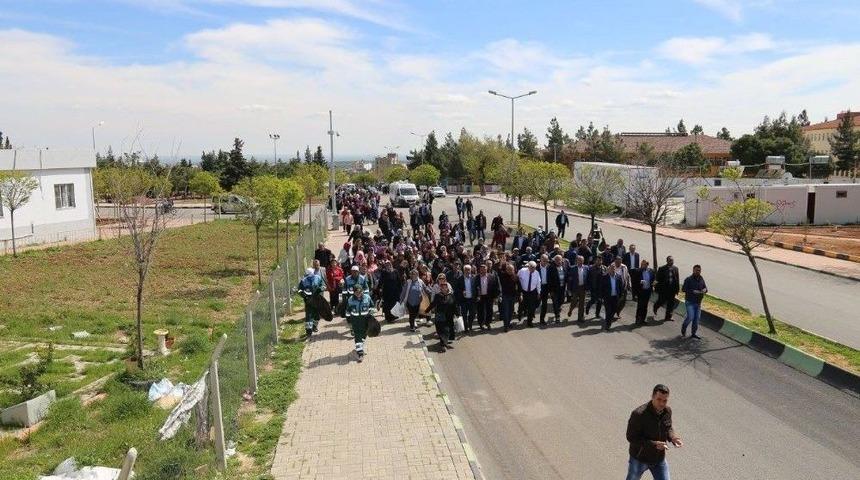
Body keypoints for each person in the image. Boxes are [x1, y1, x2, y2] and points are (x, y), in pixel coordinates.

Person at [625, 384, 682, 480]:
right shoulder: (639, 414)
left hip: (659, 459)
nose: (662, 404)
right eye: (659, 399)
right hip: (639, 459)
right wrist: (654, 444)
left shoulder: (667, 411)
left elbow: (668, 427)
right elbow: (631, 437)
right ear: (652, 396)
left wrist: (672, 437)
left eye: (665, 400)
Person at [425, 274, 457, 351]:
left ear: (447, 288)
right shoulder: (438, 296)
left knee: (447, 329)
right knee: (441, 330)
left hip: (449, 315)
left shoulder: (451, 296)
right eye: (442, 287)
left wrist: (458, 313)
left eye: (445, 287)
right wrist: (427, 310)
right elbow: (433, 304)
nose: (444, 288)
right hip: (440, 316)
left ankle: (444, 344)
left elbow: (454, 305)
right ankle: (443, 344)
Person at [346, 285, 374, 362]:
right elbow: (348, 311)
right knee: (357, 335)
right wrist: (349, 321)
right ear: (354, 292)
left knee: (364, 334)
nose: (358, 293)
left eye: (360, 292)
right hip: (355, 321)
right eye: (356, 292)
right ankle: (360, 353)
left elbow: (372, 306)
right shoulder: (350, 300)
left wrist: (371, 315)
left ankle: (359, 346)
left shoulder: (367, 297)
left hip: (365, 320)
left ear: (362, 291)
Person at [681, 265, 708, 339]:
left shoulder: (701, 278)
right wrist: (693, 291)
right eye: (696, 270)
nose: (698, 272)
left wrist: (704, 290)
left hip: (698, 303)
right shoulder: (688, 279)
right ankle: (683, 328)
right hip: (690, 302)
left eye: (699, 270)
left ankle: (693, 333)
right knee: (690, 317)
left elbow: (705, 288)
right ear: (693, 270)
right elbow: (683, 289)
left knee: (696, 320)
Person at [298, 267, 325, 338]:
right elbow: (299, 290)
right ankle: (308, 331)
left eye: (311, 274)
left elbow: (323, 285)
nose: (310, 276)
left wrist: (320, 289)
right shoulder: (303, 281)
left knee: (317, 315)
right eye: (309, 275)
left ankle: (314, 326)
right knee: (309, 316)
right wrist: (303, 294)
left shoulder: (318, 278)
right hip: (308, 301)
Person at [654, 256, 680, 321]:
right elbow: (657, 279)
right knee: (661, 301)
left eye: (672, 260)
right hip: (664, 289)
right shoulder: (662, 268)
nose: (671, 262)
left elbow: (677, 279)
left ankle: (668, 317)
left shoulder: (675, 268)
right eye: (670, 260)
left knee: (671, 304)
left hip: (672, 289)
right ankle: (656, 307)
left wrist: (677, 289)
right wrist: (656, 287)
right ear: (667, 261)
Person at [453, 264, 478, 333]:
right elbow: (456, 290)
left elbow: (477, 288)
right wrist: (461, 292)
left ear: (471, 270)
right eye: (466, 270)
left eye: (469, 270)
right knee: (464, 314)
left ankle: (470, 325)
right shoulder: (460, 279)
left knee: (472, 314)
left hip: (472, 299)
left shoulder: (474, 278)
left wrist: (478, 296)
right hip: (463, 300)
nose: (467, 271)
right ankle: (466, 327)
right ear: (463, 270)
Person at [476, 263, 500, 330]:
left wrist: (496, 297)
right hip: (480, 297)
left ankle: (488, 323)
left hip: (489, 296)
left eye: (484, 269)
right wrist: (476, 296)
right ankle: (481, 323)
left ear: (487, 269)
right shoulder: (476, 277)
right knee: (480, 311)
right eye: (481, 270)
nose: (483, 271)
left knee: (489, 310)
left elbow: (496, 287)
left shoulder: (491, 276)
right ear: (479, 270)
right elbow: (474, 287)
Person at [517, 261, 541, 327]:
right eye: (532, 267)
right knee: (522, 305)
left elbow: (538, 283)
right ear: (528, 266)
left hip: (532, 292)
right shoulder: (522, 271)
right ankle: (519, 313)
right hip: (523, 291)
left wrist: (539, 292)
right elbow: (517, 278)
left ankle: (529, 321)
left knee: (531, 307)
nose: (533, 269)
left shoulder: (536, 273)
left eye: (534, 268)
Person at [566, 255, 589, 322]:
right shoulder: (572, 268)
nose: (580, 262)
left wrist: (587, 288)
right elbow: (569, 279)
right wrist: (569, 289)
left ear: (583, 261)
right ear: (577, 261)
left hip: (583, 288)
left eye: (582, 260)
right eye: (579, 260)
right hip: (575, 288)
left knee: (582, 303)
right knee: (574, 302)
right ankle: (570, 310)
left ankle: (580, 317)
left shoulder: (586, 268)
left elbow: (587, 278)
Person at [546, 254, 567, 324]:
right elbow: (548, 280)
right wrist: (550, 290)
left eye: (559, 260)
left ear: (562, 260)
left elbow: (566, 276)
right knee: (555, 303)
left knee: (561, 301)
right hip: (554, 290)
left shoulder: (564, 266)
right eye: (556, 260)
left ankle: (558, 309)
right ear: (554, 261)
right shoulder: (551, 268)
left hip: (562, 288)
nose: (558, 261)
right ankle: (557, 316)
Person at [498, 263, 519, 332]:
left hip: (513, 296)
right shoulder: (502, 276)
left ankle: (508, 322)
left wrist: (520, 295)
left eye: (511, 269)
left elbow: (519, 286)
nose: (510, 271)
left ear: (513, 270)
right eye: (508, 269)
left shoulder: (515, 276)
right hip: (505, 296)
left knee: (511, 311)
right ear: (506, 270)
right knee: (506, 311)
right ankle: (505, 326)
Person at [601, 264, 621, 331]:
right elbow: (602, 288)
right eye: (611, 269)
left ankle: (609, 319)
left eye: (614, 268)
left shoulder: (618, 277)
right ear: (608, 270)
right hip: (607, 297)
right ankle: (608, 324)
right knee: (608, 311)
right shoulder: (605, 277)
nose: (612, 270)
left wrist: (620, 295)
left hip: (615, 297)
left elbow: (620, 287)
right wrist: (602, 296)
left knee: (614, 309)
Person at [635, 260, 655, 326]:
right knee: (640, 306)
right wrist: (640, 281)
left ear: (647, 264)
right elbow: (635, 281)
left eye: (644, 264)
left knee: (645, 306)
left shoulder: (651, 271)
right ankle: (637, 320)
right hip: (641, 291)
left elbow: (653, 279)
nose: (642, 266)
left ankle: (643, 320)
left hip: (648, 291)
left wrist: (654, 284)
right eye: (641, 264)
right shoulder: (638, 271)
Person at [537, 255, 552, 326]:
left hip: (546, 287)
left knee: (544, 304)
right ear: (540, 260)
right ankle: (530, 316)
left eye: (546, 261)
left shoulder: (549, 267)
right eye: (544, 260)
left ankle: (542, 319)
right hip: (538, 287)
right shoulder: (536, 267)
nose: (545, 262)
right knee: (536, 303)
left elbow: (551, 278)